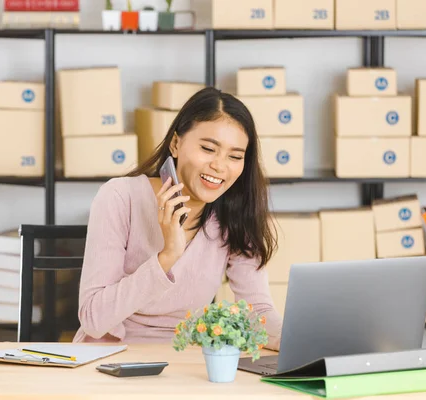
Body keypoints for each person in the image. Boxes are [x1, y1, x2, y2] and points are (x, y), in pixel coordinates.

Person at [72, 87, 283, 350]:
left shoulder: (234, 213)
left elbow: (258, 311)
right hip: (109, 357)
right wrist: (168, 255)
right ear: (176, 144)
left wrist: (301, 340)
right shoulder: (119, 196)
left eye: (235, 156)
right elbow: (94, 319)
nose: (219, 165)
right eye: (208, 148)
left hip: (187, 361)